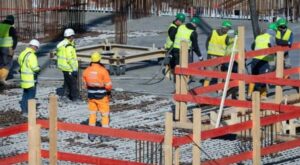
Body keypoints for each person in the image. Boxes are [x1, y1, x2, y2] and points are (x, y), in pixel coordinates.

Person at [82, 52, 112, 142]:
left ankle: (91, 133)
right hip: (102, 96)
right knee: (104, 114)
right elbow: (108, 85)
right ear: (99, 60)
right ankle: (105, 134)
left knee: (92, 114)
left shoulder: (86, 71)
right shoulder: (103, 70)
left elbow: (84, 85)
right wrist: (108, 91)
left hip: (91, 96)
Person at [247, 23, 277, 100]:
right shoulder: (271, 38)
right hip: (264, 60)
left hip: (255, 60)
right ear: (274, 31)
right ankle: (263, 96)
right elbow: (275, 49)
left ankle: (249, 94)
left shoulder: (258, 37)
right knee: (264, 78)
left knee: (254, 77)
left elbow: (253, 46)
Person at [203, 20, 232, 87]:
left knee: (209, 71)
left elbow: (207, 42)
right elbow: (230, 45)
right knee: (220, 73)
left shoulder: (213, 32)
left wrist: (208, 50)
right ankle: (218, 88)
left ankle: (205, 87)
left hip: (211, 55)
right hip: (221, 57)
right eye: (228, 29)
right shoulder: (227, 36)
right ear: (227, 28)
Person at [18, 39, 40, 116]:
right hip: (31, 79)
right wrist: (38, 69)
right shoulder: (32, 55)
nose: (36, 49)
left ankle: (24, 110)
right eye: (36, 48)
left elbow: (20, 63)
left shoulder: (22, 53)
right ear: (34, 47)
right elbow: (34, 68)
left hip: (24, 79)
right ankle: (29, 111)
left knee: (25, 94)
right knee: (31, 96)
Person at [56, 28, 79, 101]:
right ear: (71, 36)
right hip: (69, 68)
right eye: (73, 36)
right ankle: (74, 98)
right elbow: (70, 59)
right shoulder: (68, 46)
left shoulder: (62, 44)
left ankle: (66, 95)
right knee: (73, 84)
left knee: (67, 82)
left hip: (64, 67)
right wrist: (74, 68)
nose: (73, 37)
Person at [164, 13, 186, 78]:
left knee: (173, 61)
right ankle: (172, 75)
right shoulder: (173, 27)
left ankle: (173, 74)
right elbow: (172, 37)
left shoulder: (175, 26)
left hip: (173, 47)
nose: (182, 23)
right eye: (181, 22)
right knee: (171, 62)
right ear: (178, 20)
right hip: (170, 47)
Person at [0, 15, 18, 85]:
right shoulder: (10, 28)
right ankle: (2, 79)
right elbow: (15, 39)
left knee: (0, 63)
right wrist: (13, 48)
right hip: (7, 48)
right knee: (8, 64)